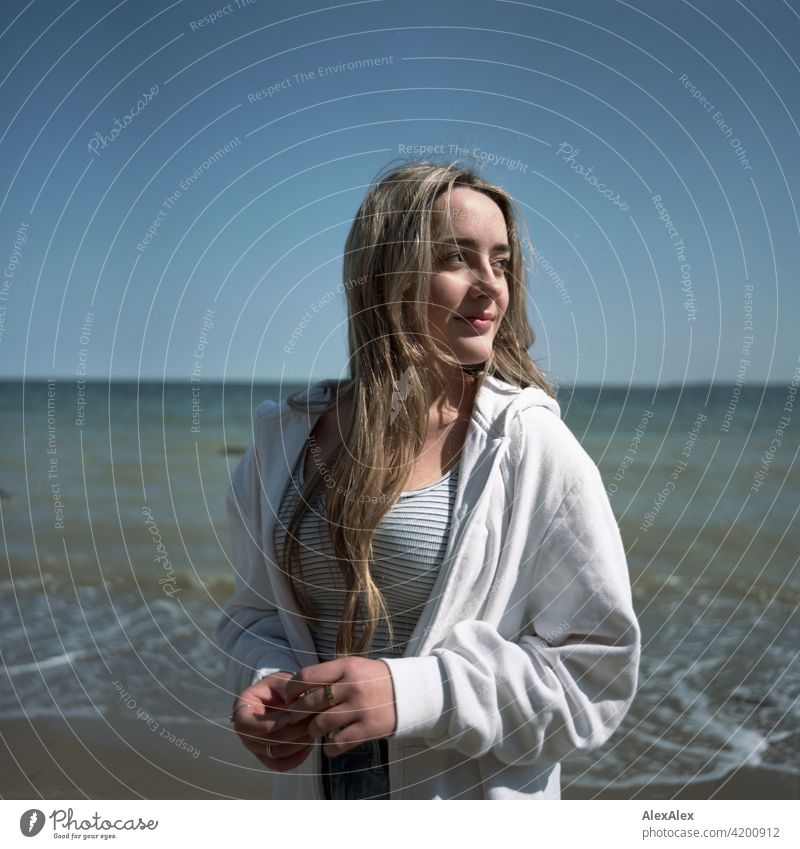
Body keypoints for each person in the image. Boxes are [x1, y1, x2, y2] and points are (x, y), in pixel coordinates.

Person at [217, 160, 640, 800]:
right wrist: (268, 680)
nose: (490, 286)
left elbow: (593, 680)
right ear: (384, 271)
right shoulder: (284, 440)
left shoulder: (530, 446)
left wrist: (419, 693)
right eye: (457, 257)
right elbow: (250, 616)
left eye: (501, 262)